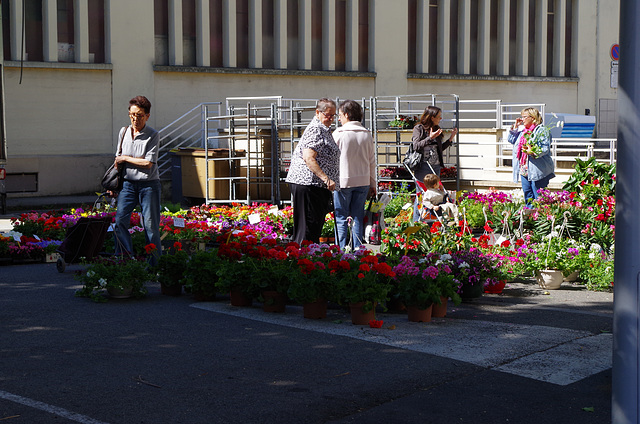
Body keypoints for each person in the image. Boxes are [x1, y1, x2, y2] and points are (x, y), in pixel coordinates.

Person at [112, 95, 162, 265]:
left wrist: (125, 158)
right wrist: (114, 183)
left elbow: (148, 163)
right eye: (132, 115)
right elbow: (117, 159)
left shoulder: (152, 135)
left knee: (150, 226)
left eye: (139, 115)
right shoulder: (124, 131)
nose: (135, 119)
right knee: (119, 222)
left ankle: (154, 265)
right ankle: (125, 261)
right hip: (127, 184)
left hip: (148, 186)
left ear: (147, 116)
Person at [285, 98, 340, 245]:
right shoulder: (316, 129)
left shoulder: (323, 128)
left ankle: (307, 257)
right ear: (318, 112)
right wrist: (326, 179)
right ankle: (303, 259)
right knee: (308, 227)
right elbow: (309, 157)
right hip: (309, 184)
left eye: (333, 116)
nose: (331, 119)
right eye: (328, 115)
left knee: (312, 226)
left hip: (315, 186)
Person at [332, 100, 376, 250]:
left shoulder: (338, 133)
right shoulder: (367, 134)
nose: (339, 118)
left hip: (343, 181)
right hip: (363, 181)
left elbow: (331, 159)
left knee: (341, 218)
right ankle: (358, 249)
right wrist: (373, 184)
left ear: (347, 114)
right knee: (358, 216)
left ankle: (341, 250)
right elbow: (372, 162)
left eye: (340, 115)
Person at [507, 107, 555, 206]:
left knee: (539, 196)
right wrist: (515, 127)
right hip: (524, 169)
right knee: (528, 195)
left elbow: (545, 148)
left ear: (532, 118)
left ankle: (541, 216)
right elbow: (511, 140)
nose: (522, 119)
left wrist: (532, 151)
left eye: (524, 117)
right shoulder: (523, 131)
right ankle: (530, 217)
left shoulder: (541, 130)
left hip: (538, 169)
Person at [411, 105, 458, 181]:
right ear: (432, 118)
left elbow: (439, 148)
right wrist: (430, 138)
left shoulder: (437, 129)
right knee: (422, 191)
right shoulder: (419, 128)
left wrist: (451, 138)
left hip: (436, 166)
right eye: (439, 116)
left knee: (435, 190)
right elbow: (416, 146)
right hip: (423, 166)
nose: (440, 118)